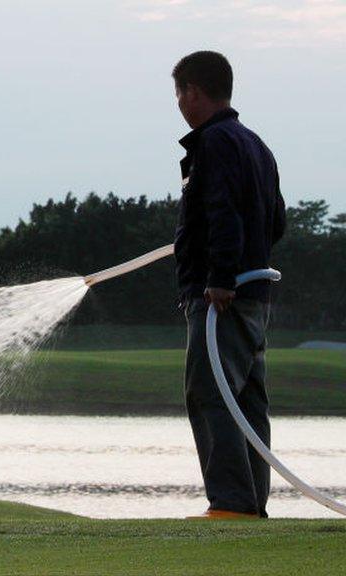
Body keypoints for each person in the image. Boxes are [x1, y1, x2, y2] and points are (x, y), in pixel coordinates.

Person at [172, 51, 286, 519]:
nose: (178, 102)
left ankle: (232, 504)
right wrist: (248, 264)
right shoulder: (256, 144)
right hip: (254, 295)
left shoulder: (214, 143)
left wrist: (220, 277)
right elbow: (275, 221)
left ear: (193, 92)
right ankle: (251, 503)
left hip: (222, 296)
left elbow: (222, 211)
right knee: (247, 399)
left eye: (179, 93)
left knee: (210, 391)